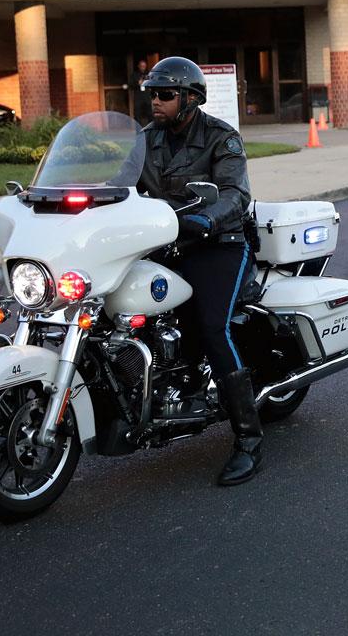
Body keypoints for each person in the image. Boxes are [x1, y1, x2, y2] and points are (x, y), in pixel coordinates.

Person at [137, 56, 263, 486]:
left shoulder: (220, 138)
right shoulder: (146, 139)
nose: (157, 101)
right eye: (153, 93)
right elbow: (118, 184)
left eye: (166, 94)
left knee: (213, 328)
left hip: (219, 243)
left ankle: (248, 439)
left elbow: (234, 193)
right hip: (164, 243)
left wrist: (209, 219)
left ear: (191, 99)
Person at [132, 58, 153, 125]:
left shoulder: (149, 74)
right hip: (138, 97)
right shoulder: (134, 74)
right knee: (137, 115)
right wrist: (138, 83)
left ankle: (150, 130)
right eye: (141, 66)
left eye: (144, 66)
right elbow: (130, 85)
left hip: (147, 97)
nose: (143, 68)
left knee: (150, 114)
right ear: (138, 66)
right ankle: (139, 131)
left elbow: (152, 84)